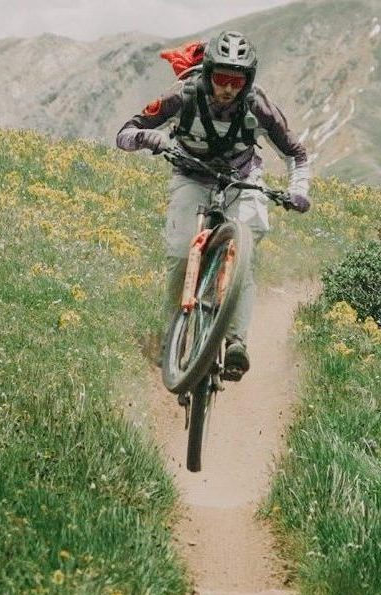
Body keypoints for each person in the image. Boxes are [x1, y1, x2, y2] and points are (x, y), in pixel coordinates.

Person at [116, 30, 311, 380]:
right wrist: (150, 137)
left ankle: (236, 341)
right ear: (208, 73)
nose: (228, 89)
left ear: (248, 80)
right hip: (191, 174)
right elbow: (125, 133)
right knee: (180, 254)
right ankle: (172, 338)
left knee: (243, 254)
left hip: (242, 178)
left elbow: (296, 153)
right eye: (221, 78)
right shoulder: (184, 95)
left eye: (237, 81)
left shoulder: (258, 105)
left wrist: (299, 189)